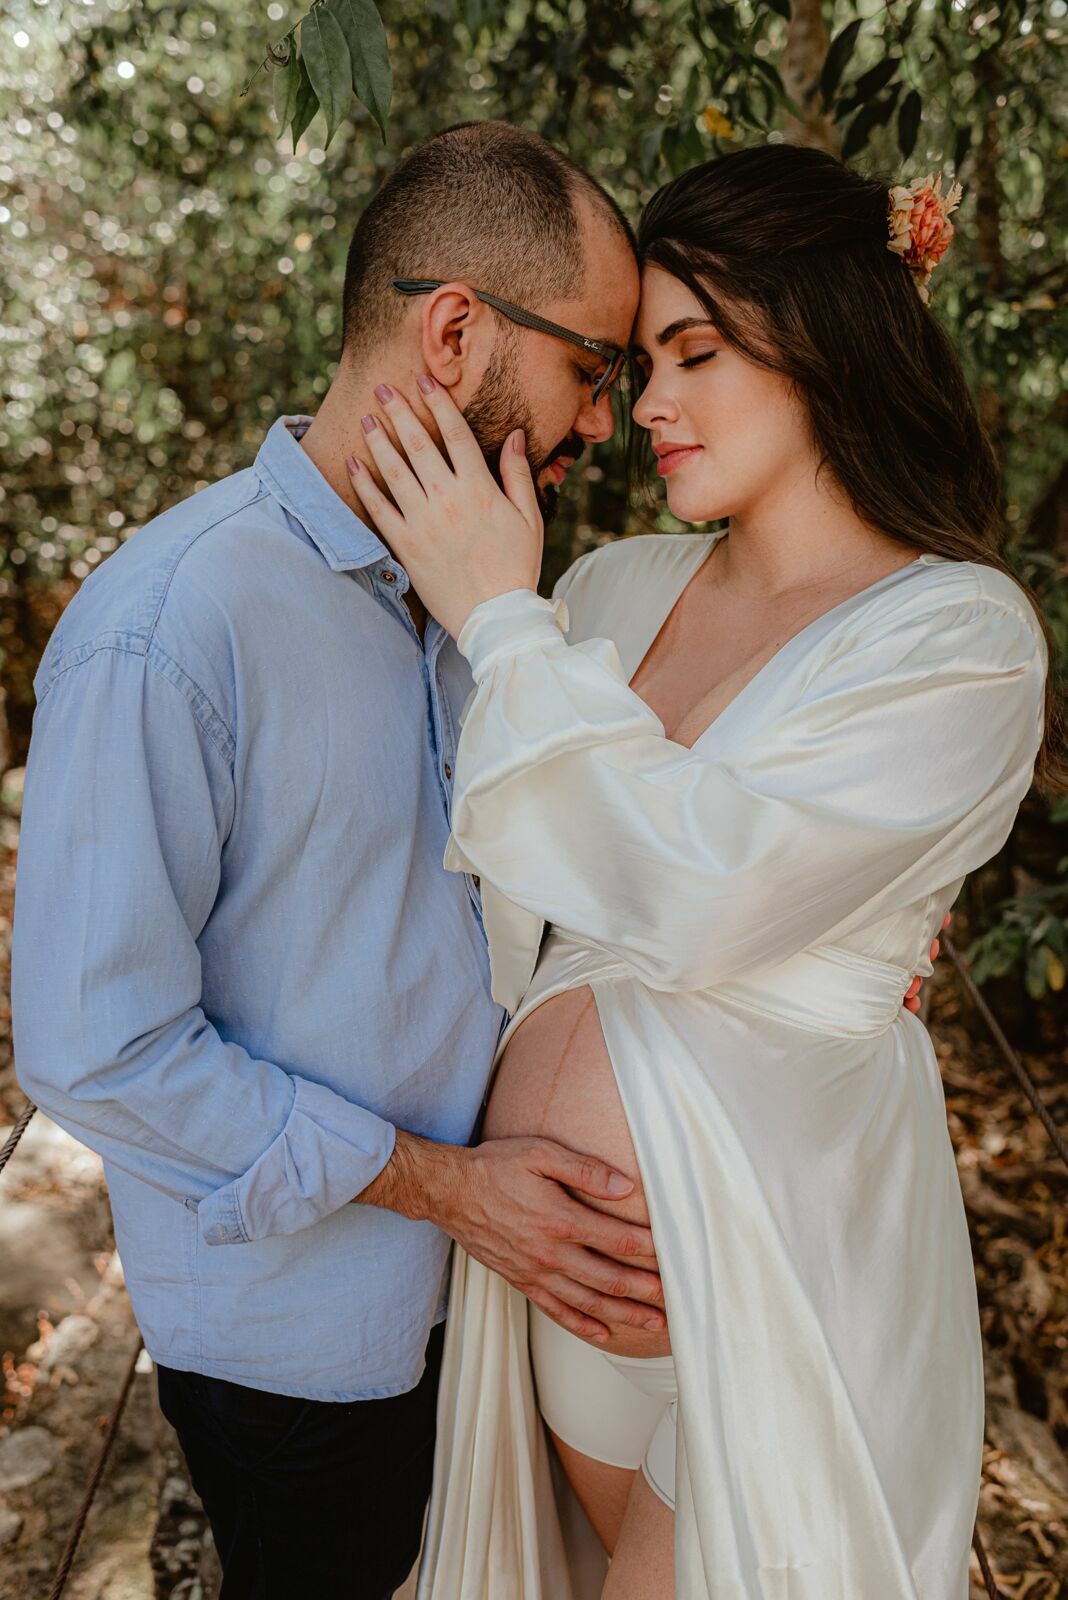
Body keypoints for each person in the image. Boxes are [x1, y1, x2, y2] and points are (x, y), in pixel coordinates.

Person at [345, 145, 1059, 1599]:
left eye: (694, 353)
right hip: (547, 1288)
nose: (646, 406)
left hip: (782, 1275)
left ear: (824, 339)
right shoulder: (607, 592)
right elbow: (492, 882)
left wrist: (496, 618)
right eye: (635, 361)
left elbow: (713, 889)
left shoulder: (962, 638)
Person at [11, 122, 669, 1599]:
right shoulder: (170, 625)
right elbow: (91, 1044)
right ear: (455, 333)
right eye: (597, 368)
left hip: (489, 1308)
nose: (610, 423)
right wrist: (448, 1191)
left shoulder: (486, 591)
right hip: (307, 1349)